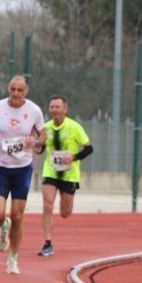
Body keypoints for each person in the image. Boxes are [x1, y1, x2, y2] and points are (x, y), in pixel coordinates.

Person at [0, 75, 45, 274]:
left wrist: (35, 143)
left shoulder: (34, 110)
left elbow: (43, 135)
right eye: (13, 89)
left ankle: (13, 259)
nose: (16, 93)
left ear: (26, 91)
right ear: (8, 89)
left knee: (18, 216)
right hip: (0, 166)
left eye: (20, 90)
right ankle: (3, 225)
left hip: (22, 168)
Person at [36, 95, 93, 257]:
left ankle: (66, 207)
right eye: (52, 107)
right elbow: (40, 149)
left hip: (69, 174)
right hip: (51, 171)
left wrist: (73, 157)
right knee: (48, 204)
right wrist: (36, 147)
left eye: (57, 107)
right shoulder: (45, 128)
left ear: (64, 109)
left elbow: (89, 148)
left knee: (65, 213)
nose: (54, 110)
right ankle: (47, 243)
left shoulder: (74, 127)